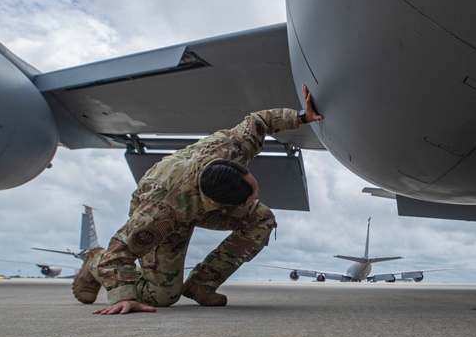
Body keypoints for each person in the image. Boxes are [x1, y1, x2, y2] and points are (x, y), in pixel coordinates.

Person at [73, 85, 323, 315]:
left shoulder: (232, 147)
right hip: (170, 207)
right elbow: (118, 254)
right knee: (161, 297)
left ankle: (201, 284)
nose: (256, 198)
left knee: (262, 218)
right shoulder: (160, 214)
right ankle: (92, 262)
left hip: (194, 197)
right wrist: (122, 296)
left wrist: (301, 116)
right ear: (218, 204)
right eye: (249, 199)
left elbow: (258, 121)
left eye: (253, 190)